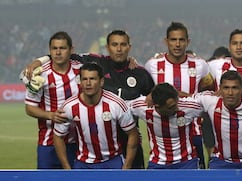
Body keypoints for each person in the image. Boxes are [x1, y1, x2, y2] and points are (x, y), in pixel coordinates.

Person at [26, 30, 154, 169]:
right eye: (114, 44)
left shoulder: (140, 73)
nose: (118, 49)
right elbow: (61, 54)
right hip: (87, 145)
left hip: (127, 140)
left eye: (123, 45)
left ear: (129, 47)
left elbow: (153, 100)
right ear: (107, 47)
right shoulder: (96, 62)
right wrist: (37, 62)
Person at [144, 21, 215, 169]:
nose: (177, 44)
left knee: (196, 179)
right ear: (166, 41)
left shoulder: (200, 65)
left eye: (181, 40)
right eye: (173, 40)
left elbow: (208, 93)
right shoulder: (152, 65)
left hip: (192, 130)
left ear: (187, 42)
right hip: (162, 131)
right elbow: (148, 95)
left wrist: (185, 97)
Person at [53, 62, 139, 169]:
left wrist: (127, 165)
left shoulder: (116, 104)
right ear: (80, 82)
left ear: (101, 81)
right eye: (84, 79)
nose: (88, 83)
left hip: (112, 161)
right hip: (83, 164)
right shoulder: (69, 106)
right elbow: (57, 136)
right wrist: (66, 167)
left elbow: (133, 134)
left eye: (92, 79)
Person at [21, 31, 81, 169]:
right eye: (54, 48)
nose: (58, 52)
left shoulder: (81, 69)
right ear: (50, 51)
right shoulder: (40, 74)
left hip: (79, 142)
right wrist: (50, 115)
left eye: (62, 48)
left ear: (71, 50)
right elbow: (29, 108)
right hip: (49, 143)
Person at [130, 83, 203, 169]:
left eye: (176, 103)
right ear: (157, 106)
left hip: (186, 163)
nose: (177, 108)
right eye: (171, 107)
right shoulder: (143, 107)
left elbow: (210, 102)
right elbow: (122, 108)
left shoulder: (188, 107)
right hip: (157, 163)